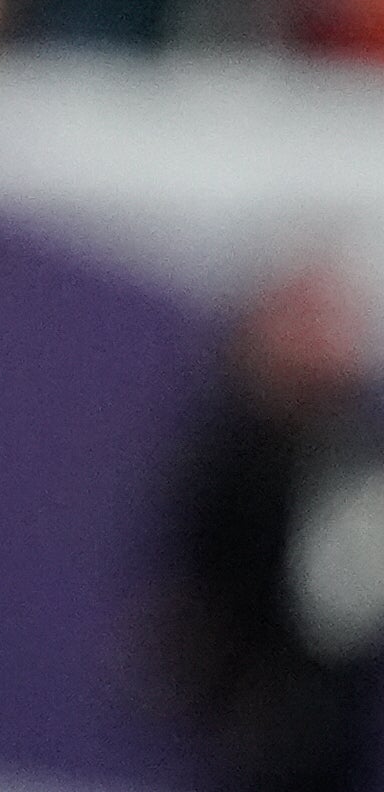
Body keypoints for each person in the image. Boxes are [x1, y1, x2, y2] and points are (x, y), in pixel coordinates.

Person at [163, 260, 384, 792]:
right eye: (305, 320)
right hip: (266, 721)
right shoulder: (229, 456)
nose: (326, 339)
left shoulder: (357, 447)